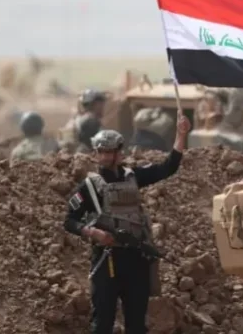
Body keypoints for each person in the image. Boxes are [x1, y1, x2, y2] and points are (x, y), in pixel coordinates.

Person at [63, 114, 191, 334]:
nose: (105, 156)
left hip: (135, 259)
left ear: (119, 153)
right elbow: (69, 221)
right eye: (101, 152)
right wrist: (93, 233)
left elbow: (168, 167)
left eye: (110, 151)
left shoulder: (133, 177)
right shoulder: (90, 187)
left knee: (136, 324)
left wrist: (181, 135)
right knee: (102, 324)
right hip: (107, 260)